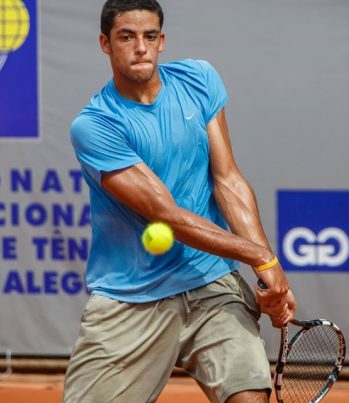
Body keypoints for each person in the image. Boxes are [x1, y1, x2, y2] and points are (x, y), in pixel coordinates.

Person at [63, 1, 297, 402]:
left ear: (162, 40)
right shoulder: (95, 125)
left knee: (248, 397)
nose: (141, 47)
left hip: (211, 284)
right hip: (132, 297)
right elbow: (166, 216)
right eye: (126, 37)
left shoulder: (199, 80)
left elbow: (228, 181)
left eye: (149, 36)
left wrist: (268, 272)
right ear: (105, 44)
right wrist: (260, 256)